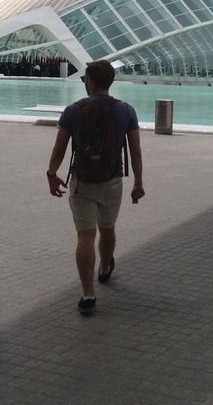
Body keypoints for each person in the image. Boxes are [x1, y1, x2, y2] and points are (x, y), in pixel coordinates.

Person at [46, 60, 145, 315]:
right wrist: (138, 182)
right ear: (110, 81)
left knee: (85, 236)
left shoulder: (73, 110)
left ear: (89, 80)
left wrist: (52, 174)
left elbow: (59, 149)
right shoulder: (125, 110)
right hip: (112, 181)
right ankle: (104, 268)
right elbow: (135, 151)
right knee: (107, 228)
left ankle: (88, 294)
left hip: (82, 182)